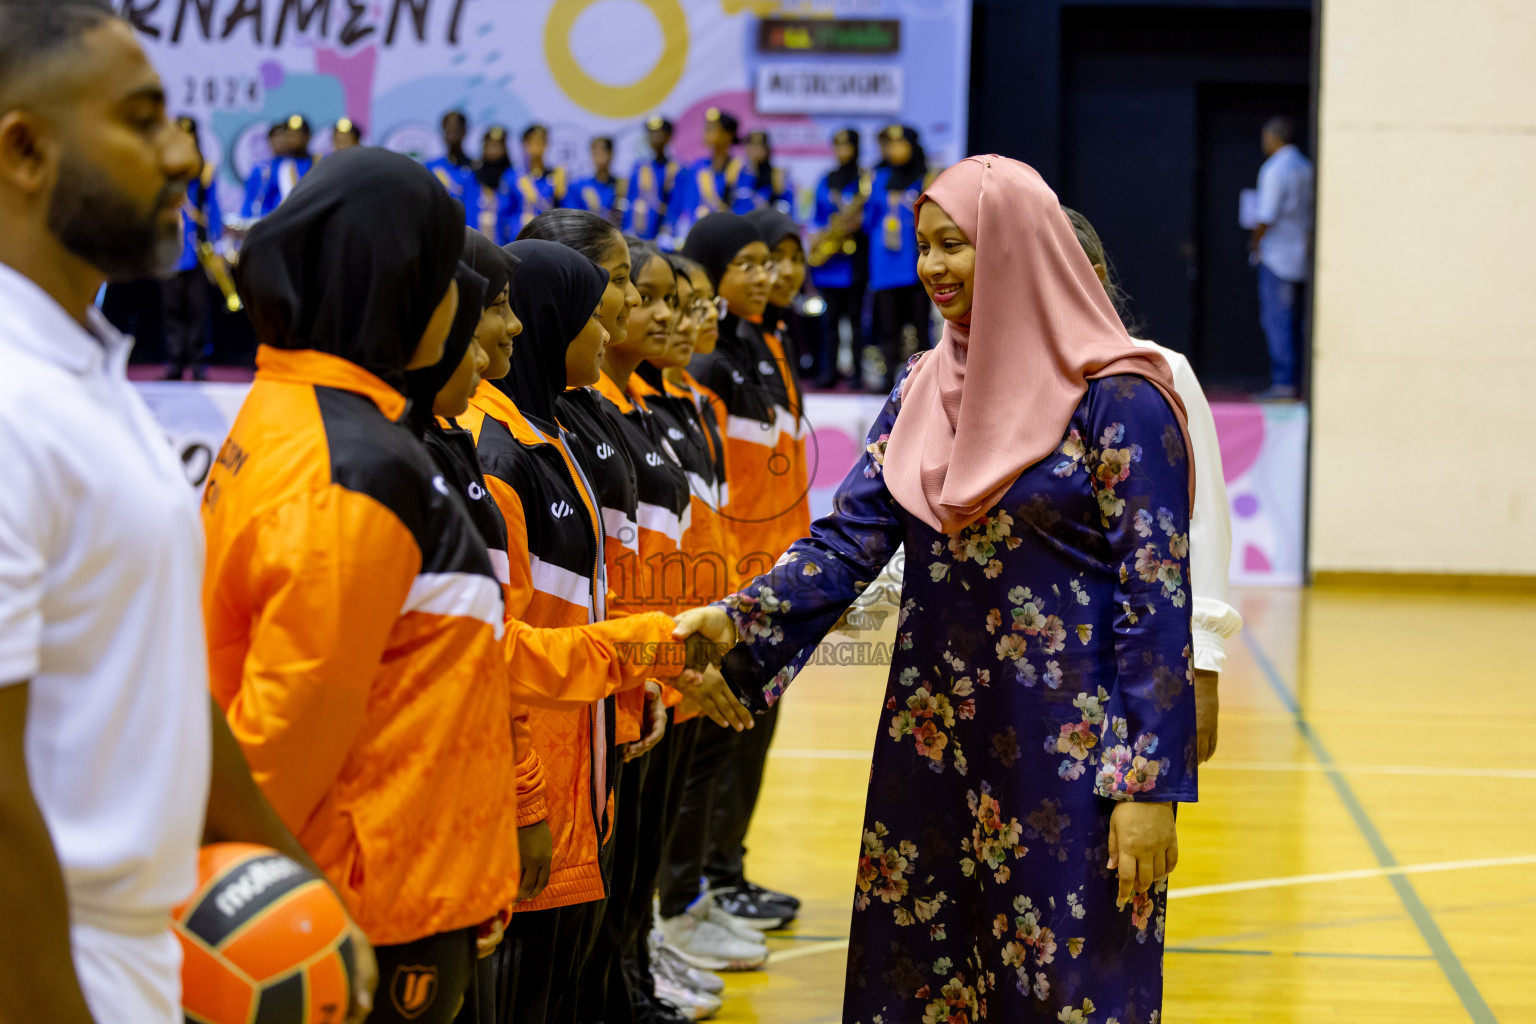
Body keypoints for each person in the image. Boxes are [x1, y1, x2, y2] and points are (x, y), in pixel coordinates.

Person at [676, 156, 1199, 1022]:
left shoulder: (1120, 398)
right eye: (923, 247)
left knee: (1066, 989)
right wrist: (739, 629)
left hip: (1073, 762)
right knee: (921, 976)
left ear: (1018, 247)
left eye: (955, 244)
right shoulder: (924, 386)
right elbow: (850, 540)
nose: (933, 268)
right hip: (937, 744)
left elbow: (1156, 600)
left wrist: (1147, 786)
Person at [0, 4, 375, 1021]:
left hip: (146, 956)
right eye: (142, 120)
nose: (183, 156)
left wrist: (300, 878)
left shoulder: (88, 374)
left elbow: (164, 681)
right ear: (25, 150)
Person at [204, 147, 513, 1024]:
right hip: (356, 903)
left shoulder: (291, 411)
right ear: (400, 281)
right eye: (445, 274)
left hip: (358, 878)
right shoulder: (356, 466)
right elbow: (291, 723)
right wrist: (267, 904)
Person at [463, 236, 749, 1024]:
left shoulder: (546, 430)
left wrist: (667, 656)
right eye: (608, 298)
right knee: (531, 984)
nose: (622, 313)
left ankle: (638, 971)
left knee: (570, 969)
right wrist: (657, 652)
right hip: (545, 767)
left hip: (588, 739)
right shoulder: (499, 451)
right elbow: (503, 653)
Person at [658, 212, 813, 952]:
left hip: (771, 584)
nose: (770, 275)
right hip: (734, 590)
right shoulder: (711, 362)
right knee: (715, 744)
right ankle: (695, 889)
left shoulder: (765, 341)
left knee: (745, 737)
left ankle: (721, 873)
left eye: (781, 261)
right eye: (750, 263)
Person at [1065, 206, 1243, 763]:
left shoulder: (1161, 372)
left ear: (1094, 275)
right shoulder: (990, 380)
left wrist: (1205, 668)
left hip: (1134, 655)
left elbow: (1202, 523)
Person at [863, 124, 932, 392]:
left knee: (920, 324)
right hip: (883, 264)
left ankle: (926, 381)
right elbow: (869, 220)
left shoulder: (926, 177)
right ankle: (887, 382)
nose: (894, 151)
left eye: (900, 144)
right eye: (890, 145)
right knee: (887, 326)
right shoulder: (878, 177)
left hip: (914, 263)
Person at [1249, 116, 1313, 401]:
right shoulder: (1306, 167)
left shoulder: (1274, 169)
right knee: (1298, 322)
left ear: (1273, 138)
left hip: (1277, 257)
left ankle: (1284, 383)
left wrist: (1255, 243)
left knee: (1277, 320)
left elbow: (1266, 215)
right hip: (1301, 254)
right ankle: (1299, 381)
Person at [162, 115, 222, 380]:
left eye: (191, 135)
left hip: (198, 249)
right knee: (171, 308)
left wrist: (217, 242)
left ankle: (199, 363)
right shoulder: (163, 169)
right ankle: (175, 361)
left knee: (199, 309)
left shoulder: (205, 171)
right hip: (170, 250)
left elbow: (214, 210)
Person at [808, 128, 870, 388]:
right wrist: (818, 235)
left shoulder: (864, 179)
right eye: (837, 146)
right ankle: (828, 371)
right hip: (829, 261)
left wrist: (859, 222)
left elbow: (872, 215)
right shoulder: (827, 179)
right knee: (829, 322)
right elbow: (816, 214)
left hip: (854, 260)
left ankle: (856, 373)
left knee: (856, 321)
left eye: (846, 146)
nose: (841, 152)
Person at [672, 108, 749, 239]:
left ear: (727, 135)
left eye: (712, 128)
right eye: (706, 128)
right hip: (696, 233)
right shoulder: (697, 167)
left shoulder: (741, 169)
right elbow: (688, 204)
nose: (706, 132)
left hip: (727, 235)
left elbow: (743, 209)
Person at [238, 113, 312, 225]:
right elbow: (255, 202)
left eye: (297, 135)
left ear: (307, 137)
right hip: (278, 225)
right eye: (290, 134)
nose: (293, 139)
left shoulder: (316, 163)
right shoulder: (269, 168)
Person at [498, 123, 568, 239]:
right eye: (532, 141)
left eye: (541, 141)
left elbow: (563, 212)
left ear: (547, 144)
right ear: (524, 144)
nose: (536, 146)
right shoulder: (513, 176)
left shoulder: (556, 176)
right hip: (518, 238)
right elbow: (504, 214)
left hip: (548, 239)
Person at [624, 115, 680, 245]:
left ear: (668, 136)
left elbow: (678, 204)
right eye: (651, 133)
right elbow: (631, 200)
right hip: (640, 234)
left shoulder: (677, 169)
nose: (654, 137)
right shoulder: (639, 168)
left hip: (666, 236)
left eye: (659, 133)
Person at [427, 110, 480, 229]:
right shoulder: (431, 167)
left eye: (457, 129)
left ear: (465, 132)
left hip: (465, 233)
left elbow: (473, 208)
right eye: (448, 129)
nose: (452, 134)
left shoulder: (475, 168)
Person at [567, 135, 622, 225]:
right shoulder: (580, 185)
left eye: (603, 152)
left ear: (611, 154)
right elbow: (571, 217)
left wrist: (598, 209)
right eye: (595, 153)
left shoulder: (620, 186)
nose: (598, 158)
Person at [474, 126, 512, 240]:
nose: (493, 150)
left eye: (497, 146)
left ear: (505, 149)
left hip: (505, 244)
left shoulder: (513, 179)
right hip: (475, 242)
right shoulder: (473, 177)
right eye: (489, 146)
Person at [743, 129, 792, 214]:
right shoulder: (741, 174)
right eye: (750, 145)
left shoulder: (776, 175)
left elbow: (786, 207)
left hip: (769, 221)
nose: (753, 149)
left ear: (767, 149)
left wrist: (779, 191)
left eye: (758, 145)